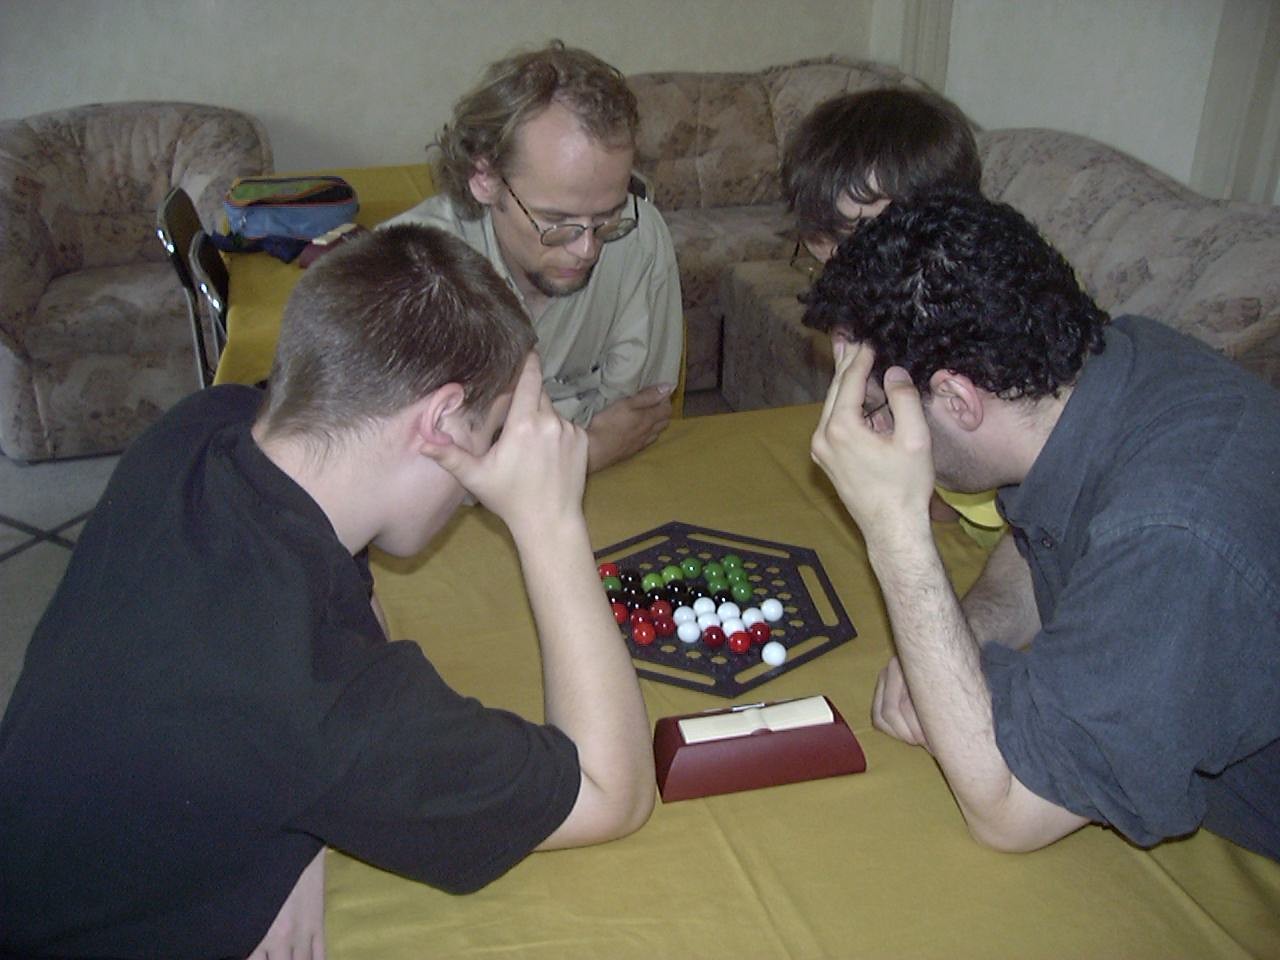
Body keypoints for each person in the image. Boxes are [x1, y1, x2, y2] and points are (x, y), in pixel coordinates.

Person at [0, 225, 655, 958]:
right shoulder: (317, 696)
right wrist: (550, 521)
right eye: (495, 432)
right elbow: (612, 791)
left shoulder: (200, 430)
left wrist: (298, 826)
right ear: (441, 421)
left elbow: (324, 627)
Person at [805, 190, 1280, 860]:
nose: (865, 430)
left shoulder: (1171, 537)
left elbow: (1010, 810)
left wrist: (894, 529)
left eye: (874, 407)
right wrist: (971, 630)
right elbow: (1051, 538)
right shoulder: (1109, 365)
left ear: (956, 399)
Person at [383, 41, 683, 472]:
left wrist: (499, 446)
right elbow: (413, 469)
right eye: (555, 221)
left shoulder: (640, 234)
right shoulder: (410, 269)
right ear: (485, 179)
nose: (587, 249)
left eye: (607, 217)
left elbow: (638, 419)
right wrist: (591, 447)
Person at [781, 87, 1003, 545]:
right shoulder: (892, 302)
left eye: (860, 252)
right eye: (826, 262)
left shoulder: (1000, 315)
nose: (848, 286)